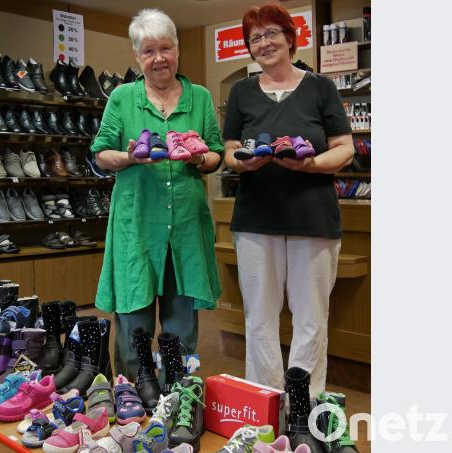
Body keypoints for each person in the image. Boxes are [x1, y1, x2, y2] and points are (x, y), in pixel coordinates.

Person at [222, 4, 355, 399]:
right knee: (259, 318)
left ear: (290, 39)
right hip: (256, 217)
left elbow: (344, 147)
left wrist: (311, 164)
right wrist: (244, 162)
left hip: (312, 217)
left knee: (311, 317)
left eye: (271, 34)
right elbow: (229, 149)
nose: (264, 43)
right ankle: (265, 402)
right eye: (255, 38)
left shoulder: (321, 88)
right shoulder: (241, 92)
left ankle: (304, 405)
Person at [91, 9, 224, 382]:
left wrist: (200, 158)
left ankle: (177, 392)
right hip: (136, 224)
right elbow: (101, 153)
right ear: (137, 56)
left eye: (165, 48)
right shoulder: (122, 98)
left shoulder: (199, 97)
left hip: (185, 227)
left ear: (177, 49)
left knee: (181, 321)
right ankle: (134, 393)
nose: (159, 58)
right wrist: (130, 158)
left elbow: (216, 152)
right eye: (149, 51)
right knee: (134, 318)